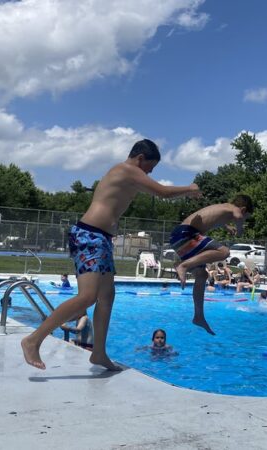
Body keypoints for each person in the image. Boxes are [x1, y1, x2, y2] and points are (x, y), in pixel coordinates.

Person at [21, 139, 201, 370]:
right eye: (150, 167)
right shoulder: (126, 169)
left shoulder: (129, 174)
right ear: (140, 159)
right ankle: (33, 340)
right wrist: (190, 188)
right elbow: (163, 192)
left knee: (107, 296)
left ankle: (98, 353)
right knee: (88, 297)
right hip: (89, 235)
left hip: (101, 239)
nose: (150, 173)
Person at [170, 194, 254, 335]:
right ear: (243, 209)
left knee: (202, 275)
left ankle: (198, 316)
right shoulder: (234, 210)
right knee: (224, 251)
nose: (242, 218)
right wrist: (240, 228)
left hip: (180, 237)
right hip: (186, 234)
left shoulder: (223, 208)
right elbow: (238, 216)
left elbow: (213, 219)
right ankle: (183, 265)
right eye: (246, 216)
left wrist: (227, 227)